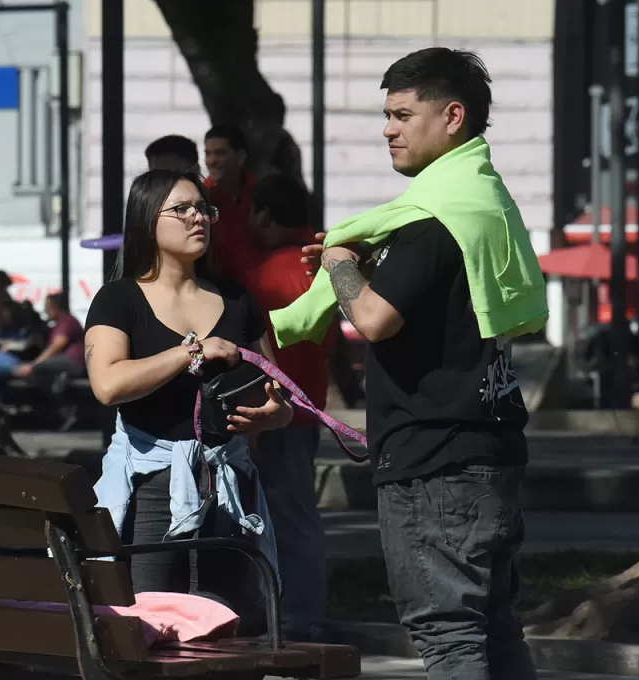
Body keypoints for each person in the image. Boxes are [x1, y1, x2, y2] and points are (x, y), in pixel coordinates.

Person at [272, 48, 547, 680]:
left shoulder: (429, 223)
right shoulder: (484, 203)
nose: (388, 129)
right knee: (495, 630)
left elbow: (371, 319)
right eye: (386, 115)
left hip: (435, 462)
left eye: (401, 114)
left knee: (449, 636)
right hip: (487, 450)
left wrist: (340, 259)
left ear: (452, 117)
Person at [85, 169, 293, 634]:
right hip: (152, 485)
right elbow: (107, 384)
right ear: (146, 219)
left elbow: (279, 393)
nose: (198, 217)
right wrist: (190, 351)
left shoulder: (237, 299)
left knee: (229, 628)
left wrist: (274, 416)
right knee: (150, 627)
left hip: (228, 486)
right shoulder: (118, 299)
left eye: (203, 208)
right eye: (182, 209)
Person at [238, 172, 334, 642]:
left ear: (265, 215)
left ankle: (293, 617)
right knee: (295, 514)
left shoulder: (263, 276)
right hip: (309, 404)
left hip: (270, 412)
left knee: (283, 517)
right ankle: (295, 612)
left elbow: (253, 355)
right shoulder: (320, 266)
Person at [203, 124, 256, 281]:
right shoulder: (201, 198)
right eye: (207, 153)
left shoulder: (261, 193)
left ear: (240, 157)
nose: (211, 161)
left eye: (220, 153)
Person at [13, 292, 86, 386]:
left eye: (47, 307)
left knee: (38, 368)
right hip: (64, 361)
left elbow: (56, 347)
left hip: (74, 362)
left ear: (55, 307)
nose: (45, 310)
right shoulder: (57, 325)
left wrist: (32, 366)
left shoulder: (68, 322)